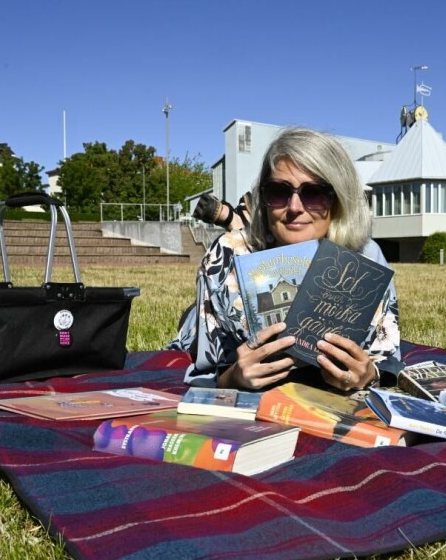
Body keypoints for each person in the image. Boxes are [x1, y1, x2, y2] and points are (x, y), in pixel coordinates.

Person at [168, 127, 400, 392]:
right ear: (263, 198)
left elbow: (387, 360)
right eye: (279, 191)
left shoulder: (366, 256)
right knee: (191, 331)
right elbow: (203, 372)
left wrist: (368, 376)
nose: (294, 207)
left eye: (314, 193)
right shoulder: (228, 254)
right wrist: (233, 378)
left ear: (338, 199)